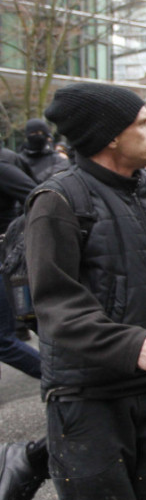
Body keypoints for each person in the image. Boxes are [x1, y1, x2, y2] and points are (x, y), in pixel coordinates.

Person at [24, 82, 146, 500]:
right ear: (110, 137)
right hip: (89, 400)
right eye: (143, 124)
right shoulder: (57, 200)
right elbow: (55, 307)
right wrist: (132, 344)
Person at [0, 146, 42, 380]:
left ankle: (65, 380)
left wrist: (14, 236)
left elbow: (40, 197)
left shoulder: (3, 166)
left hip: (8, 261)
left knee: (4, 339)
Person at [17, 119, 70, 183]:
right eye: (32, 133)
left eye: (40, 133)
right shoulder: (19, 160)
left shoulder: (58, 160)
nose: (37, 136)